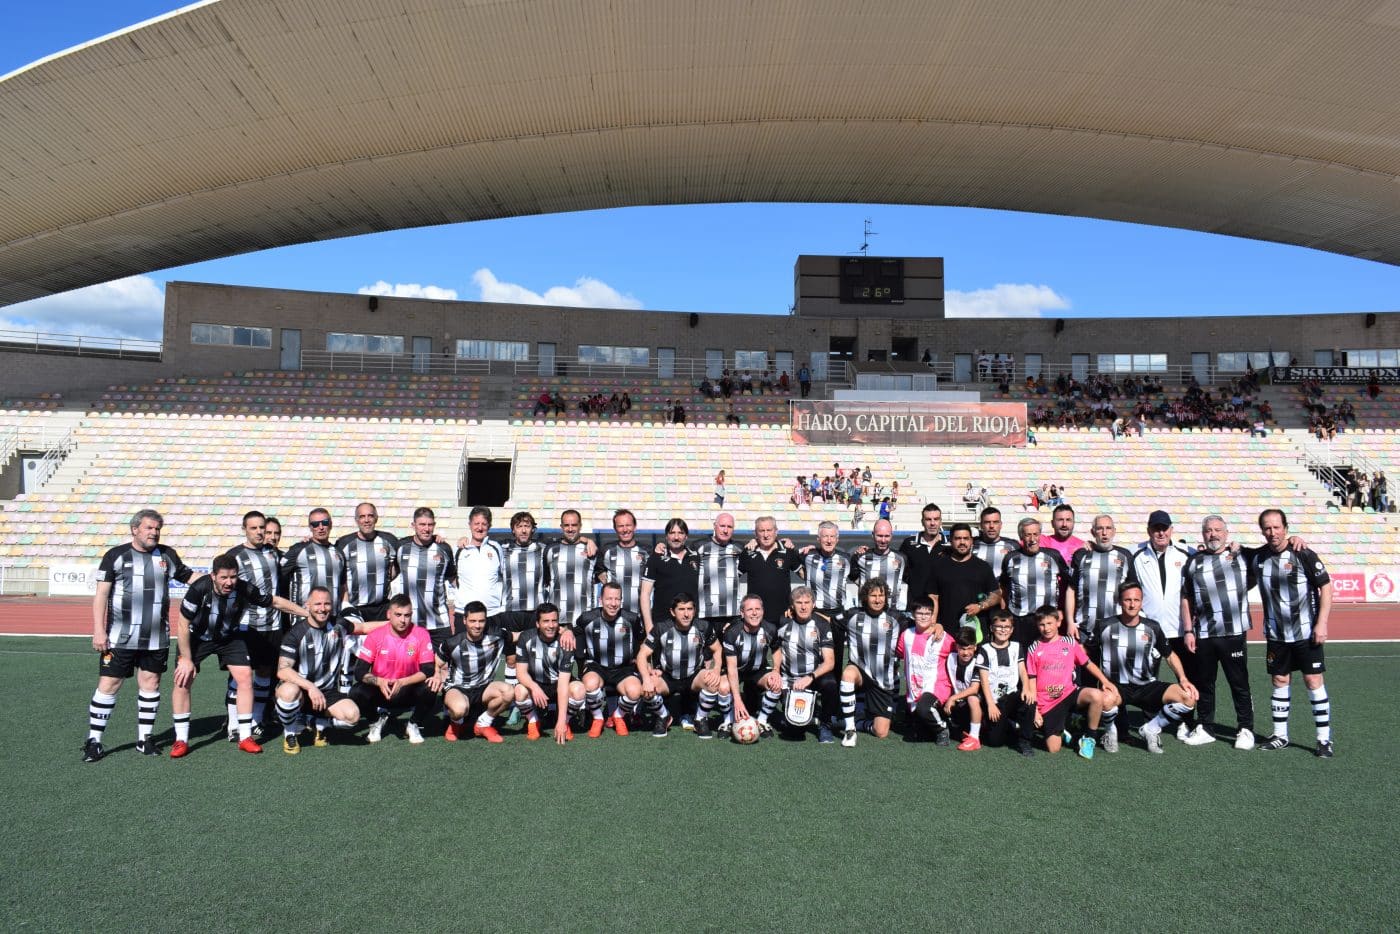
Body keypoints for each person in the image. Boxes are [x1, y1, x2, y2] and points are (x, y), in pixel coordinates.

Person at [83, 508, 197, 762]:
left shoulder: (167, 554)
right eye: (149, 528)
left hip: (156, 638)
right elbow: (101, 594)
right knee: (109, 685)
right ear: (135, 529)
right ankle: (94, 741)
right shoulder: (115, 555)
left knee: (151, 684)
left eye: (157, 528)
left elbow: (189, 577)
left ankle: (144, 738)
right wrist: (98, 630)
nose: (154, 532)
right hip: (119, 637)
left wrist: (218, 579)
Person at [170, 553, 307, 757]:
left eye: (233, 577)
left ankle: (245, 737)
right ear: (213, 576)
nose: (229, 582)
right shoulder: (199, 589)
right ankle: (180, 740)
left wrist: (307, 614)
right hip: (197, 638)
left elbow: (274, 602)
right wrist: (187, 659)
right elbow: (182, 624)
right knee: (183, 680)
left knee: (245, 678)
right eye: (224, 577)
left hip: (228, 637)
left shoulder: (243, 588)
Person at [1249, 509, 1335, 757]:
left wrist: (1322, 623)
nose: (1272, 532)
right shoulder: (1258, 557)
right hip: (1276, 635)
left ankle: (1324, 740)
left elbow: (1326, 589)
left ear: (1285, 528)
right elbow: (1235, 551)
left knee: (1313, 681)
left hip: (1307, 632)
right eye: (1267, 528)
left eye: (1276, 527)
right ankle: (1280, 735)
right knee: (1279, 681)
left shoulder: (1303, 553)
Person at [1092, 582, 1199, 755]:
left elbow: (1170, 655)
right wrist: (1101, 681)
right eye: (1127, 600)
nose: (1132, 604)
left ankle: (1151, 729)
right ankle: (1110, 732)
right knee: (1104, 700)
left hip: (1147, 686)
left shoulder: (1153, 627)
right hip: (1117, 687)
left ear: (1142, 602)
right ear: (1120, 601)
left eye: (1136, 600)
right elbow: (1085, 656)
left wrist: (1183, 679)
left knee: (1188, 698)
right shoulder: (1104, 626)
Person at [1180, 515, 1257, 750]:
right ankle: (1205, 727)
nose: (1213, 534)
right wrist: (1187, 630)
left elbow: (1268, 552)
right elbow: (1186, 598)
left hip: (1233, 632)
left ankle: (1245, 729)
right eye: (1208, 531)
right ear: (1202, 534)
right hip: (1204, 633)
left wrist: (1242, 548)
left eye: (1217, 530)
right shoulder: (1194, 562)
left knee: (1239, 683)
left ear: (1226, 532)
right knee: (1205, 683)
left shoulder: (1242, 556)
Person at [274, 586, 379, 754]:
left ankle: (317, 722)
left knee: (353, 716)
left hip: (326, 693)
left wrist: (394, 623)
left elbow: (363, 628)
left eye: (327, 604)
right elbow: (283, 671)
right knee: (287, 692)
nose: (322, 609)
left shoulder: (339, 625)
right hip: (301, 691)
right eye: (317, 604)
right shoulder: (295, 634)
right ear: (307, 605)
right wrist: (310, 687)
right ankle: (290, 732)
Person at [1023, 605, 1120, 758]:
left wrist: (1104, 681)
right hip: (1048, 702)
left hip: (1069, 693)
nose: (1046, 628)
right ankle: (1064, 731)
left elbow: (1087, 663)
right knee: (1053, 749)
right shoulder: (1034, 648)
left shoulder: (1069, 642)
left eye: (1049, 623)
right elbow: (1031, 680)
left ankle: (1089, 739)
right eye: (1042, 624)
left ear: (1058, 623)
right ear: (1037, 625)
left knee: (1096, 695)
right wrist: (1035, 709)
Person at [223, 509, 284, 738]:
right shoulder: (234, 556)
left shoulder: (273, 553)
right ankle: (233, 724)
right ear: (244, 529)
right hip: (246, 625)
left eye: (262, 528)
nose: (259, 532)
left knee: (265, 672)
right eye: (254, 528)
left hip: (273, 624)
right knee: (240, 676)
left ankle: (256, 719)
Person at [637, 593, 728, 739]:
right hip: (667, 677)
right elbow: (642, 654)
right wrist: (646, 678)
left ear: (694, 610)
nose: (686, 614)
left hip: (693, 677)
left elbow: (717, 649)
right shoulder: (661, 628)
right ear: (673, 612)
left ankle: (700, 719)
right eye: (681, 609)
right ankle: (664, 716)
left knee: (712, 682)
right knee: (646, 689)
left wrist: (716, 670)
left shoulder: (703, 627)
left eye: (689, 609)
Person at [350, 595, 437, 745]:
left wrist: (403, 682)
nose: (403, 620)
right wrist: (379, 681)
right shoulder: (375, 636)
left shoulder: (421, 634)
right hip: (382, 690)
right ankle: (376, 721)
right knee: (356, 692)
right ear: (389, 614)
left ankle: (413, 724)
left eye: (407, 615)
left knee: (431, 687)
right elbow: (359, 672)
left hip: (408, 690)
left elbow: (428, 669)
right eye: (398, 615)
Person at [759, 587, 838, 742]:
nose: (803, 607)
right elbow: (757, 624)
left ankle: (825, 724)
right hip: (789, 681)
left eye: (807, 602)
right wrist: (775, 670)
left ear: (813, 604)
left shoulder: (821, 625)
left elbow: (830, 662)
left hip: (813, 679)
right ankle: (767, 709)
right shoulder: (782, 621)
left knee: (830, 683)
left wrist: (810, 677)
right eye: (799, 603)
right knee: (794, 731)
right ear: (792, 605)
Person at [569, 581, 646, 737]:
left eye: (617, 599)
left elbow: (641, 641)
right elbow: (575, 632)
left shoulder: (632, 619)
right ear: (600, 600)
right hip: (597, 666)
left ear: (621, 600)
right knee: (590, 684)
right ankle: (598, 718)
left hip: (624, 669)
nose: (613, 603)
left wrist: (640, 663)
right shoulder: (587, 618)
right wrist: (566, 631)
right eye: (609, 599)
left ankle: (618, 715)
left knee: (635, 691)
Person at [432, 601, 513, 744]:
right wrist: (437, 674)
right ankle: (456, 724)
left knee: (508, 692)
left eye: (481, 621)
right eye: (473, 621)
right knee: (459, 709)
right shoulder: (453, 643)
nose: (477, 625)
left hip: (484, 688)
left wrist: (561, 631)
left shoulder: (497, 635)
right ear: (464, 620)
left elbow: (518, 636)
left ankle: (483, 723)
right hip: (458, 688)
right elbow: (436, 663)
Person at [837, 579, 905, 747]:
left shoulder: (896, 617)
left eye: (881, 595)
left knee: (881, 732)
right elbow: (828, 620)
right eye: (873, 595)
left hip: (883, 681)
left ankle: (858, 722)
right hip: (860, 672)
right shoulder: (852, 615)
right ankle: (850, 729)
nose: (877, 599)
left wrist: (936, 626)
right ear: (865, 597)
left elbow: (919, 627)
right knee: (848, 673)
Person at [513, 603, 586, 743]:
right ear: (537, 624)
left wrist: (561, 721)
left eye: (554, 621)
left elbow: (563, 684)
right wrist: (534, 687)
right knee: (519, 691)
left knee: (579, 690)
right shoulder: (526, 638)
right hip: (537, 684)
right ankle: (533, 721)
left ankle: (566, 722)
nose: (551, 625)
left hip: (558, 684)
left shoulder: (565, 641)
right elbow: (521, 673)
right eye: (546, 621)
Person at [394, 506, 458, 650]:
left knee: (441, 667)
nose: (426, 529)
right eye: (422, 524)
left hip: (439, 624)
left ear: (434, 526)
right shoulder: (401, 547)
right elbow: (390, 573)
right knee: (411, 666)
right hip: (410, 623)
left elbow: (453, 578)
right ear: (413, 525)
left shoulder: (444, 549)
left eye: (430, 525)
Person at [999, 518, 1069, 648]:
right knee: (1022, 660)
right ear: (1021, 537)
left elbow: (1069, 585)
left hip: (1046, 619)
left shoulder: (1053, 556)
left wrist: (1061, 610)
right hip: (1020, 620)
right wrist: (1004, 613)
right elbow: (1003, 587)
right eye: (1028, 535)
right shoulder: (1010, 558)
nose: (1032, 539)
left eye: (1036, 534)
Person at [895, 598, 957, 745]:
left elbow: (960, 653)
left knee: (924, 708)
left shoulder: (944, 637)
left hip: (937, 687)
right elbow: (899, 653)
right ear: (912, 614)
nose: (923, 617)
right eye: (919, 613)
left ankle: (943, 729)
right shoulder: (906, 635)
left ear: (932, 615)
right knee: (917, 735)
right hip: (915, 690)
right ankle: (939, 719)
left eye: (927, 613)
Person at [975, 610, 1035, 756]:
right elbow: (984, 680)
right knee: (995, 742)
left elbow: (1022, 670)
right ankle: (1008, 724)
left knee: (1029, 701)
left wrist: (1026, 688)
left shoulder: (1017, 647)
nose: (1003, 630)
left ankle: (1024, 741)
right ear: (991, 628)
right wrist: (990, 704)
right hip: (995, 700)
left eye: (1007, 627)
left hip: (1012, 696)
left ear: (1012, 629)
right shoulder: (985, 649)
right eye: (999, 627)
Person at [1066, 514, 1135, 641]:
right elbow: (1071, 590)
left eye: (1108, 528)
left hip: (1117, 629)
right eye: (1100, 528)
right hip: (1083, 630)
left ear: (1114, 531)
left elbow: (1134, 593)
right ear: (1093, 532)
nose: (1104, 533)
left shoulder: (1125, 556)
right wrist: (1070, 622)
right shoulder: (1081, 555)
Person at [926, 523, 1001, 640]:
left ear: (971, 541)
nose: (962, 542)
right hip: (945, 631)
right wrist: (934, 623)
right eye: (957, 538)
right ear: (951, 540)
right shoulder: (939, 566)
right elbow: (933, 597)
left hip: (975, 632)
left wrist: (980, 606)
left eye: (966, 538)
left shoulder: (983, 567)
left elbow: (996, 594)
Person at [722, 595, 779, 734]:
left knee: (777, 683)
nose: (754, 613)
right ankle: (727, 721)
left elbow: (777, 650)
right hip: (737, 670)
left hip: (758, 670)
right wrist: (737, 699)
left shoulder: (770, 629)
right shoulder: (732, 633)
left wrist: (776, 670)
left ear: (763, 611)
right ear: (742, 613)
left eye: (758, 609)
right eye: (750, 610)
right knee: (723, 687)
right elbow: (732, 669)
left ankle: (762, 721)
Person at [336, 502, 399, 626]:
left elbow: (410, 548)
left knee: (383, 645)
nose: (366, 520)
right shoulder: (344, 543)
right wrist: (309, 542)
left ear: (376, 518)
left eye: (370, 516)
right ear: (356, 520)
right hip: (355, 608)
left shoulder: (389, 540)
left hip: (382, 607)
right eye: (362, 516)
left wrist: (434, 538)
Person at [281, 507, 347, 609]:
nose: (321, 527)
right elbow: (277, 576)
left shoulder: (339, 553)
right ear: (310, 527)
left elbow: (343, 586)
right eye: (315, 524)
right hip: (303, 616)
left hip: (332, 616)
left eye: (324, 523)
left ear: (331, 524)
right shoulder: (298, 550)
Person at [454, 505, 506, 630]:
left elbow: (503, 576)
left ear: (489, 526)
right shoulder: (459, 549)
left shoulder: (496, 548)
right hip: (464, 613)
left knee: (494, 649)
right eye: (476, 523)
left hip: (492, 612)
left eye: (484, 524)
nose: (480, 527)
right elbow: (452, 578)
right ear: (470, 524)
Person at [738, 515, 797, 624]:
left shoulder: (788, 551)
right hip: (756, 618)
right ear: (756, 533)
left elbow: (806, 575)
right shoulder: (747, 552)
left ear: (776, 531)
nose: (766, 535)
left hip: (783, 616)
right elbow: (732, 578)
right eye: (762, 531)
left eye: (769, 530)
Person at [593, 508, 649, 617]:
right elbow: (599, 572)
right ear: (615, 528)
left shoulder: (647, 551)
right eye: (620, 526)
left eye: (628, 525)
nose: (625, 529)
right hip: (614, 613)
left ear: (634, 526)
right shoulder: (606, 550)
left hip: (640, 614)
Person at [544, 509, 595, 624]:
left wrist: (588, 540)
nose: (570, 529)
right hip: (556, 619)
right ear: (561, 527)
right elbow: (546, 579)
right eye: (566, 525)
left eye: (574, 525)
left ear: (580, 526)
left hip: (584, 618)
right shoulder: (549, 549)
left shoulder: (591, 550)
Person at [799, 521, 854, 620]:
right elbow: (787, 554)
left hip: (838, 613)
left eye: (832, 537)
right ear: (818, 539)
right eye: (825, 536)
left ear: (837, 540)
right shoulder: (807, 555)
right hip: (814, 612)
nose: (829, 540)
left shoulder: (847, 559)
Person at [900, 503, 948, 612]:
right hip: (915, 608)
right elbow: (900, 570)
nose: (932, 523)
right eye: (928, 519)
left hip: (944, 609)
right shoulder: (909, 544)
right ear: (922, 522)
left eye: (936, 519)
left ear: (941, 521)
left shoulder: (950, 546)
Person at [944, 627, 984, 751]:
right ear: (956, 646)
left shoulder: (979, 661)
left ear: (975, 647)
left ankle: (974, 737)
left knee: (972, 699)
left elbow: (974, 689)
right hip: (958, 702)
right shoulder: (950, 657)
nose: (966, 653)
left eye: (969, 648)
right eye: (962, 648)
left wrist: (952, 698)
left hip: (979, 705)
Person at [972, 507, 1018, 583]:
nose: (991, 526)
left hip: (1003, 593)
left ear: (1001, 525)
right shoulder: (971, 545)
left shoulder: (1013, 546)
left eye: (995, 522)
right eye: (987, 522)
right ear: (981, 525)